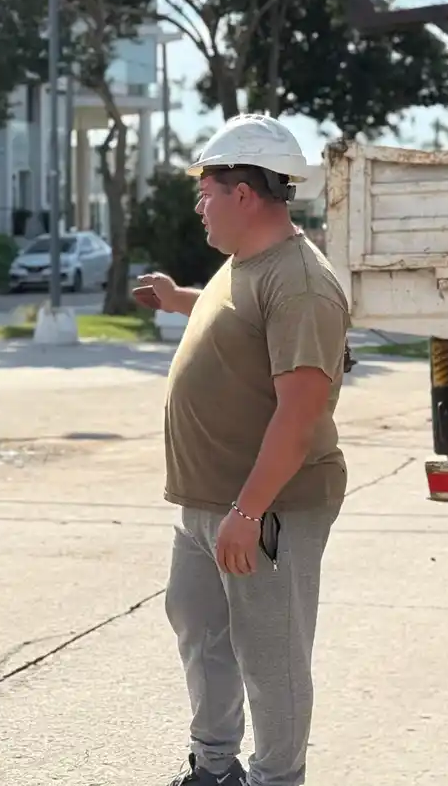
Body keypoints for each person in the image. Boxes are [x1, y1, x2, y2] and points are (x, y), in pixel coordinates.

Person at [136, 114, 351, 786]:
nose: (199, 205)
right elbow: (242, 322)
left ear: (244, 194)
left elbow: (301, 407)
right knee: (201, 635)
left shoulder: (303, 283)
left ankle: (275, 778)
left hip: (269, 508)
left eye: (206, 190)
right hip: (208, 502)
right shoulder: (247, 266)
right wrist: (180, 300)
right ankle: (213, 765)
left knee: (271, 657)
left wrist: (251, 510)